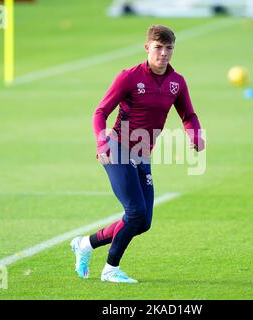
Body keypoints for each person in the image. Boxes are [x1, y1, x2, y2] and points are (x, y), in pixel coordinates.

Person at [70, 25, 205, 283]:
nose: (163, 53)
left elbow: (189, 115)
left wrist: (195, 134)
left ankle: (84, 245)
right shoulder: (129, 77)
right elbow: (100, 112)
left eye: (169, 49)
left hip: (143, 154)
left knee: (143, 222)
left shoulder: (177, 83)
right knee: (135, 214)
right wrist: (101, 144)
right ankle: (110, 269)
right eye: (158, 48)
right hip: (117, 148)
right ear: (147, 48)